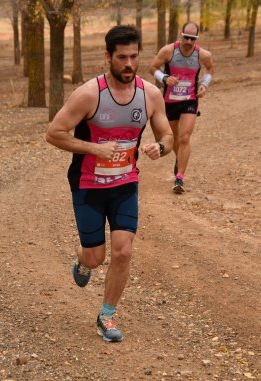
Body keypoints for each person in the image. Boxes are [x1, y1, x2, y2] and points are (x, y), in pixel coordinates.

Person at [45, 25, 173, 343]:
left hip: (125, 184)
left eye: (133, 56)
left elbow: (168, 135)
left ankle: (107, 315)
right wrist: (94, 148)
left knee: (123, 252)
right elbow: (54, 133)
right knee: (96, 256)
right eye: (122, 58)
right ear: (108, 58)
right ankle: (82, 259)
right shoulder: (90, 94)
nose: (129, 64)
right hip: (88, 185)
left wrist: (162, 148)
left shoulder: (150, 95)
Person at [149, 22, 214, 194]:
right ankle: (180, 159)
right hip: (170, 102)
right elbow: (152, 68)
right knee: (175, 138)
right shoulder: (168, 51)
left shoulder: (203, 55)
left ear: (196, 39)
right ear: (181, 35)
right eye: (186, 37)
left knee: (185, 137)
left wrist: (205, 86)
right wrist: (164, 78)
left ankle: (180, 178)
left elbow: (210, 70)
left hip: (189, 101)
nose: (189, 41)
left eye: (192, 39)